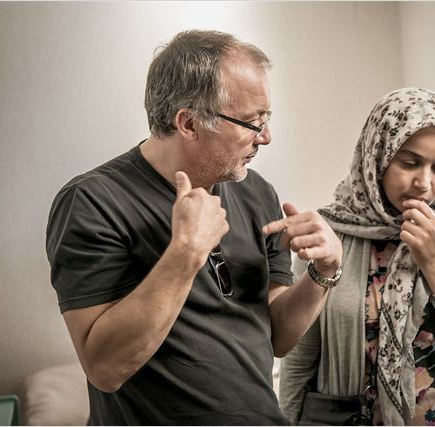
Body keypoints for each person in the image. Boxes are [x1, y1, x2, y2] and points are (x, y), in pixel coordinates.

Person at [45, 30, 343, 425]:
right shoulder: (92, 201)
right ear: (188, 123)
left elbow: (277, 338)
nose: (266, 137)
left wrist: (323, 274)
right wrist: (185, 252)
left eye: (267, 117)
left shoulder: (257, 192)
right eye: (253, 121)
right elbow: (104, 368)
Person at [279, 87, 435, 426]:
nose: (425, 183)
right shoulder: (332, 231)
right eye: (410, 163)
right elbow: (299, 355)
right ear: (377, 157)